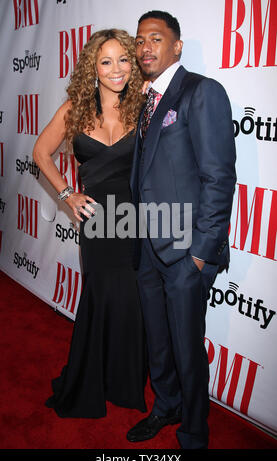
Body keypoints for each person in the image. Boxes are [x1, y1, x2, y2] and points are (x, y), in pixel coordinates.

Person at [126, 11, 236, 449]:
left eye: (156, 38)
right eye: (140, 40)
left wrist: (200, 254)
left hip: (186, 252)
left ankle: (194, 431)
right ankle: (166, 404)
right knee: (158, 340)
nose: (145, 47)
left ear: (177, 45)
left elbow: (218, 177)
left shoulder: (202, 92)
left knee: (188, 349)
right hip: (149, 249)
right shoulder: (147, 100)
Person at [33, 29, 148, 418]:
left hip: (135, 219)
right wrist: (67, 194)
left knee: (132, 302)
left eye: (123, 60)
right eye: (106, 61)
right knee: (101, 298)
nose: (116, 69)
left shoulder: (145, 104)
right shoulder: (74, 110)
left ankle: (125, 383)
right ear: (92, 69)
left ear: (133, 64)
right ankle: (91, 380)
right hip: (97, 222)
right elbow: (40, 153)